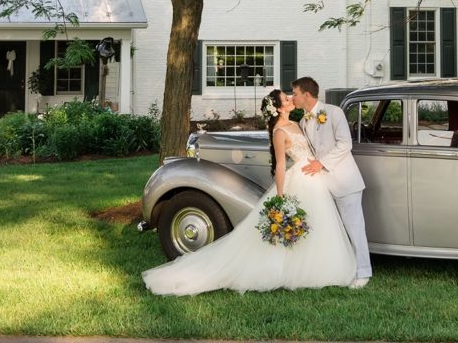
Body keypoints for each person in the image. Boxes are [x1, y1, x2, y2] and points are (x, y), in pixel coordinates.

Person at [142, 88, 358, 295]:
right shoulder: (280, 131)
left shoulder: (297, 122)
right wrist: (281, 195)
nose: (291, 99)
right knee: (303, 223)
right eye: (286, 99)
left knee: (318, 223)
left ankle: (318, 264)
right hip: (301, 178)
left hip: (313, 176)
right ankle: (299, 269)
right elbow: (281, 165)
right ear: (280, 109)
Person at [291, 76, 371, 287]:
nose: (293, 98)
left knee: (354, 228)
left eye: (295, 94)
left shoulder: (334, 113)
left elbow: (345, 144)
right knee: (333, 231)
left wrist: (321, 164)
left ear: (306, 95)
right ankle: (339, 270)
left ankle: (363, 273)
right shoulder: (302, 121)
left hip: (344, 181)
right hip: (320, 186)